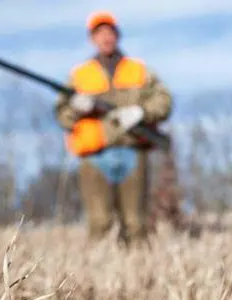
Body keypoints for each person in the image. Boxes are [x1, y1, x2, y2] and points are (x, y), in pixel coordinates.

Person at [53, 11, 173, 246]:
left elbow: (164, 101)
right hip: (95, 155)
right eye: (99, 33)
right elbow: (61, 115)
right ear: (92, 39)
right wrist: (77, 108)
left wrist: (141, 112)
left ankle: (139, 266)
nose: (105, 37)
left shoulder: (139, 70)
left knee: (136, 224)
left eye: (109, 32)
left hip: (133, 150)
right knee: (99, 224)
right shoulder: (79, 75)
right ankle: (97, 268)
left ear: (117, 35)